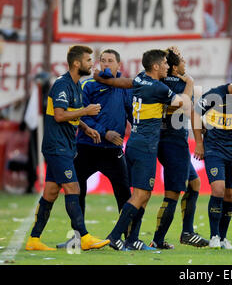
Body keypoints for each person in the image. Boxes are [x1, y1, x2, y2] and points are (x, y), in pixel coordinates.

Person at [94, 49, 194, 251]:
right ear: (156, 66)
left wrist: (104, 80)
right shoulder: (158, 88)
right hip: (146, 147)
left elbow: (124, 82)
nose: (167, 66)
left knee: (143, 194)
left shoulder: (141, 79)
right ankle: (115, 236)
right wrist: (190, 84)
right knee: (140, 195)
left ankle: (132, 240)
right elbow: (184, 104)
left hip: (134, 143)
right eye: (165, 63)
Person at [25, 45, 110, 251]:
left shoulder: (76, 85)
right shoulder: (62, 84)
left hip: (65, 145)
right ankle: (84, 237)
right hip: (57, 146)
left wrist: (85, 127)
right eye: (89, 60)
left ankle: (34, 240)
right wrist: (87, 111)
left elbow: (71, 113)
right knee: (73, 188)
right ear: (76, 63)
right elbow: (60, 115)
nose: (92, 64)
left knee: (51, 192)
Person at [55, 49, 135, 249]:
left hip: (112, 150)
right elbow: (81, 115)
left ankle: (128, 238)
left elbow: (132, 114)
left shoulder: (125, 87)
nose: (106, 64)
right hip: (87, 146)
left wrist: (141, 132)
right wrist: (104, 131)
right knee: (76, 191)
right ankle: (77, 237)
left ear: (119, 65)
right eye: (102, 61)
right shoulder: (88, 84)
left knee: (124, 193)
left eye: (110, 61)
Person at [151, 47, 208, 249]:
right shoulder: (178, 84)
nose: (185, 63)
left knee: (194, 184)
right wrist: (190, 82)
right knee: (174, 192)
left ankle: (187, 232)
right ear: (175, 67)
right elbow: (186, 108)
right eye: (182, 60)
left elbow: (190, 111)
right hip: (172, 142)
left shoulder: (163, 82)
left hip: (173, 140)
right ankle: (158, 239)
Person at [192, 71, 232, 250]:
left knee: (230, 194)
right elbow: (195, 113)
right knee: (218, 189)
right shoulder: (215, 95)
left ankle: (222, 238)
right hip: (214, 149)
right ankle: (213, 236)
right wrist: (199, 142)